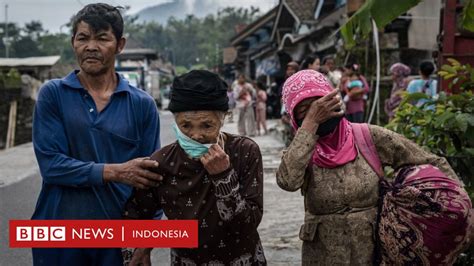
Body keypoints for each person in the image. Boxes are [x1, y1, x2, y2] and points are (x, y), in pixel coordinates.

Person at [276, 69, 469, 265]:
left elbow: (430, 161)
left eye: (319, 106)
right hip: (322, 254)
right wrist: (311, 124)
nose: (317, 114)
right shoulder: (302, 149)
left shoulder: (367, 136)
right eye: (304, 111)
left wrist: (459, 206)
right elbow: (288, 181)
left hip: (371, 251)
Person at [31, 4, 163, 265]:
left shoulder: (141, 104)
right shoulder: (53, 94)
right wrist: (116, 172)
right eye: (83, 38)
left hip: (117, 239)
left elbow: (152, 181)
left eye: (102, 38)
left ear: (120, 44)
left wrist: (147, 240)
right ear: (73, 43)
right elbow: (51, 166)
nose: (91, 46)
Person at [123, 70, 266, 265]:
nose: (196, 136)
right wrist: (141, 247)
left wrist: (223, 176)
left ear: (224, 118)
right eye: (186, 126)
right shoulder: (162, 162)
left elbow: (247, 225)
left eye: (207, 126)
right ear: (175, 121)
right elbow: (135, 213)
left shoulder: (244, 152)